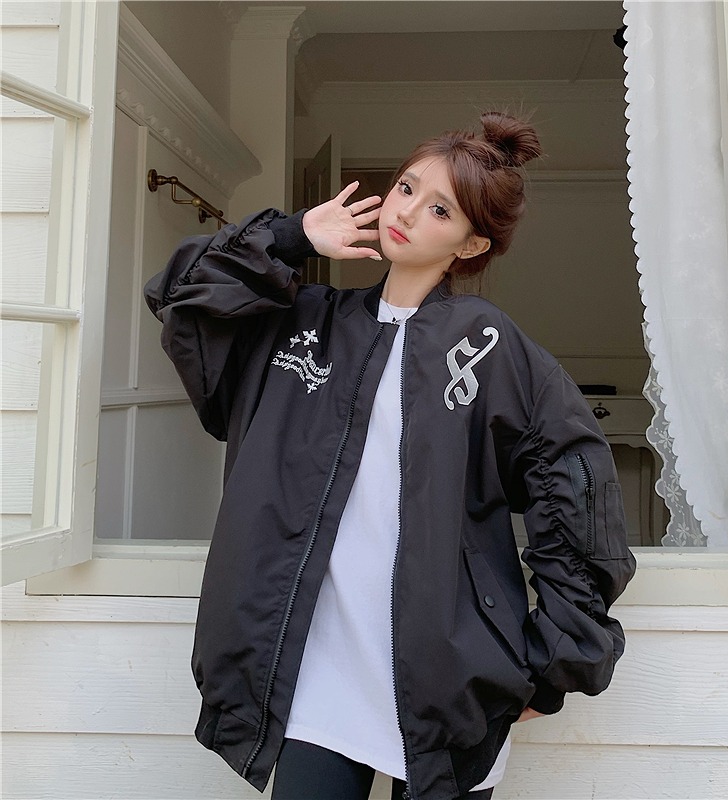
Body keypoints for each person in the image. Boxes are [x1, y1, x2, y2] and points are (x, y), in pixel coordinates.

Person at [143, 111, 636, 800]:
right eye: (406, 188)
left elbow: (576, 484)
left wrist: (557, 654)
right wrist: (291, 238)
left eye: (440, 209)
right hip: (319, 672)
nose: (406, 212)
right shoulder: (306, 323)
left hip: (449, 675)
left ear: (471, 244)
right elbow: (183, 300)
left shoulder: (486, 345)